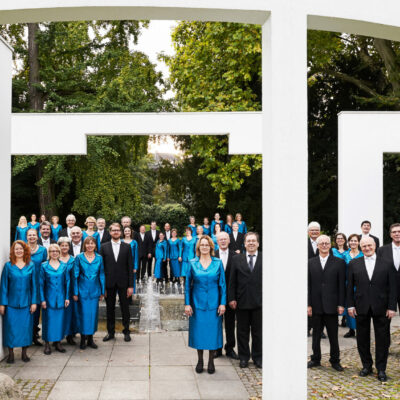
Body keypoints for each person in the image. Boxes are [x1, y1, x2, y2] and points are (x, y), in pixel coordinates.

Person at [347, 237, 397, 382]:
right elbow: (349, 287)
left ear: (375, 245)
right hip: (360, 306)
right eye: (364, 246)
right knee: (362, 338)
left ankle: (381, 369)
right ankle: (366, 366)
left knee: (383, 339)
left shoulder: (387, 264)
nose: (367, 248)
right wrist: (350, 305)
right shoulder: (353, 264)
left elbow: (393, 287)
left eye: (369, 245)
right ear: (360, 248)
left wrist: (392, 307)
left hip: (382, 307)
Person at [184, 235, 226, 374]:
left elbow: (222, 285)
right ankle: (200, 360)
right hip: (197, 305)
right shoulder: (192, 262)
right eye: (202, 245)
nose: (204, 247)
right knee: (199, 333)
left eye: (207, 245)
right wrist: (187, 304)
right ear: (198, 247)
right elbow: (187, 286)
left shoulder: (218, 263)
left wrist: (223, 303)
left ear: (211, 247)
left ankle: (211, 361)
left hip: (214, 305)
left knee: (213, 333)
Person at [307, 235, 346, 371]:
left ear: (330, 245)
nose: (324, 245)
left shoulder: (339, 262)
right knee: (316, 335)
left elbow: (342, 285)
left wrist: (341, 304)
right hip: (316, 305)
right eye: (321, 243)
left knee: (333, 335)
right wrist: (308, 304)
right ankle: (315, 359)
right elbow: (308, 285)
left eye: (326, 243)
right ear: (317, 246)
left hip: (332, 305)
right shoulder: (310, 262)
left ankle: (335, 360)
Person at [229, 232, 262, 369]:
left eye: (254, 241)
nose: (251, 243)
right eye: (249, 241)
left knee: (258, 332)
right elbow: (232, 281)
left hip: (260, 302)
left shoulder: (265, 259)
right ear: (244, 243)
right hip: (241, 301)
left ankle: (258, 357)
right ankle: (243, 357)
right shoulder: (237, 259)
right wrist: (231, 298)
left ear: (258, 243)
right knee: (242, 332)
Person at [0, 241, 37, 363]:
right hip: (11, 304)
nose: (19, 251)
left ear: (25, 250)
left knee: (25, 329)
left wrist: (33, 302)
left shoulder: (31, 265)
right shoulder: (8, 266)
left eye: (21, 249)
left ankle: (24, 353)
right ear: (13, 251)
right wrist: (2, 304)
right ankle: (11, 354)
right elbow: (4, 286)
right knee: (10, 329)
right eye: (16, 249)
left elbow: (34, 287)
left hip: (26, 304)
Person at [100, 223, 134, 343]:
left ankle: (126, 331)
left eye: (118, 230)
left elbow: (130, 267)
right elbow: (101, 268)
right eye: (113, 230)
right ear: (110, 232)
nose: (115, 232)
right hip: (109, 283)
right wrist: (102, 287)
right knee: (110, 309)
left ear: (121, 232)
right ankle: (111, 332)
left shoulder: (127, 247)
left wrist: (131, 286)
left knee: (125, 308)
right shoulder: (103, 247)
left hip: (124, 283)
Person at [74, 236, 105, 349]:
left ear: (95, 245)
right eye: (88, 243)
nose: (90, 245)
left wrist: (102, 290)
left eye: (92, 243)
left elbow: (101, 274)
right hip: (82, 290)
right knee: (83, 315)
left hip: (94, 290)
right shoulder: (79, 257)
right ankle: (83, 339)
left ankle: (91, 339)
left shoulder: (99, 258)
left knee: (93, 315)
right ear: (84, 245)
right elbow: (75, 275)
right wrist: (75, 292)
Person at [40, 244, 70, 355]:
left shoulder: (64, 265)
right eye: (52, 251)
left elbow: (67, 282)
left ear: (59, 252)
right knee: (48, 321)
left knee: (60, 321)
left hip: (61, 298)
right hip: (48, 299)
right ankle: (47, 344)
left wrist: (67, 297)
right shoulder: (44, 266)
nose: (54, 253)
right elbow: (40, 284)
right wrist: (42, 299)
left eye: (56, 251)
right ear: (49, 252)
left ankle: (58, 342)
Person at [215, 231, 238, 359]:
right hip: (215, 296)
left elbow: (237, 279)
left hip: (230, 297)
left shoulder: (236, 256)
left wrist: (233, 297)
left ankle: (230, 348)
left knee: (230, 324)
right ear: (217, 242)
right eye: (220, 239)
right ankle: (217, 349)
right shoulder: (212, 255)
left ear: (229, 240)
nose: (223, 241)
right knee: (217, 323)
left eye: (225, 239)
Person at [27, 228, 47, 346]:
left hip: (39, 284)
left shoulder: (43, 250)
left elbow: (45, 267)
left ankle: (34, 335)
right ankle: (26, 335)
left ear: (37, 236)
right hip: (26, 284)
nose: (32, 237)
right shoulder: (23, 249)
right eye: (30, 235)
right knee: (27, 310)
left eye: (34, 235)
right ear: (27, 237)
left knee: (36, 311)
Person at [342, 234, 363, 338]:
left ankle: (360, 329)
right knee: (349, 307)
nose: (353, 242)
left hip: (361, 284)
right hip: (348, 284)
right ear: (348, 242)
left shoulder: (363, 254)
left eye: (355, 241)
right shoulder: (345, 255)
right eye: (351, 241)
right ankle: (351, 330)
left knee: (360, 307)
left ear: (359, 242)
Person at [59, 236, 78, 346]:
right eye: (62, 245)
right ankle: (59, 336)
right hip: (58, 290)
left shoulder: (73, 259)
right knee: (60, 313)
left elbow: (75, 277)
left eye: (66, 245)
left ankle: (70, 336)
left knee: (70, 314)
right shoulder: (55, 258)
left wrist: (75, 292)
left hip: (70, 290)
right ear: (59, 246)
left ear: (69, 247)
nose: (64, 247)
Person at [377, 223, 400, 314]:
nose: (397, 234)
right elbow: (378, 271)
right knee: (384, 323)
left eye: (399, 231)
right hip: (387, 292)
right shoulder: (381, 250)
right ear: (390, 234)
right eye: (394, 232)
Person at [121, 226, 138, 294]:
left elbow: (136, 255)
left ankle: (131, 296)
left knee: (131, 280)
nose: (127, 232)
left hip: (131, 264)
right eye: (126, 231)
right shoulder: (120, 241)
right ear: (123, 232)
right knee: (122, 280)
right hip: (122, 264)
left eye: (128, 231)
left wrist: (135, 267)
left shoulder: (134, 242)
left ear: (131, 232)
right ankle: (122, 295)